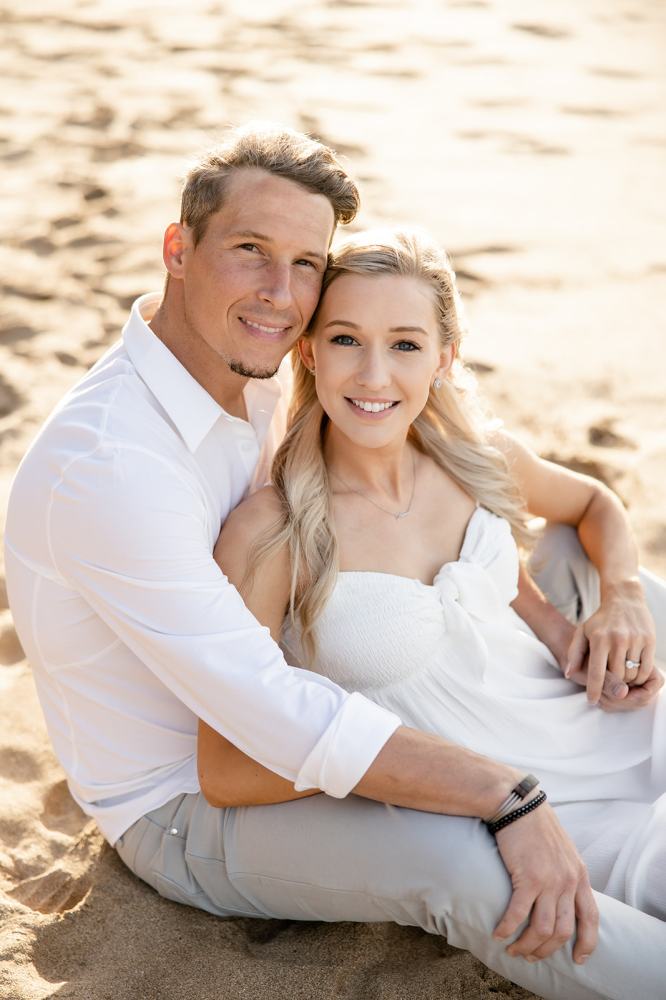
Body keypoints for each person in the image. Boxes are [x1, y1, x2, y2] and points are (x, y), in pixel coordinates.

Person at [3, 123, 664, 1000]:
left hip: (357, 696)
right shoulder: (115, 469)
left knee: (638, 594)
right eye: (248, 251)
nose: (281, 293)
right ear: (177, 248)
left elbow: (446, 432)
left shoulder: (269, 363)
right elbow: (254, 728)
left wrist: (582, 604)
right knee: (461, 861)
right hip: (195, 798)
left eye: (305, 263)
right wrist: (497, 787)